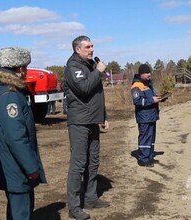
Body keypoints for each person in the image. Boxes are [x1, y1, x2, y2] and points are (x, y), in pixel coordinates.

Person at [0, 47, 47, 220]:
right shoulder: (9, 95)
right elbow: (16, 137)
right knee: (21, 212)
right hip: (16, 167)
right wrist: (31, 166)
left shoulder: (2, 91)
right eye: (25, 67)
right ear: (19, 69)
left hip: (12, 164)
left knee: (16, 210)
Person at [62, 35, 110, 220]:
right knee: (78, 164)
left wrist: (103, 116)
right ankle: (74, 206)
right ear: (77, 49)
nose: (92, 49)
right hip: (80, 122)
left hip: (93, 120)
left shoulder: (89, 65)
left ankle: (90, 197)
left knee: (93, 161)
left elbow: (97, 93)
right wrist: (98, 72)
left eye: (92, 46)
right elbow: (84, 88)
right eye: (88, 47)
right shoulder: (73, 67)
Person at [131, 64, 162, 167]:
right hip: (144, 117)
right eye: (147, 73)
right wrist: (151, 100)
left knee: (151, 138)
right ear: (141, 74)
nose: (149, 74)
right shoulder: (136, 86)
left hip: (152, 116)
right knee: (145, 138)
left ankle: (150, 157)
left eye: (150, 72)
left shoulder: (148, 84)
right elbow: (137, 101)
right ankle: (143, 160)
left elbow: (151, 97)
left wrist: (158, 98)